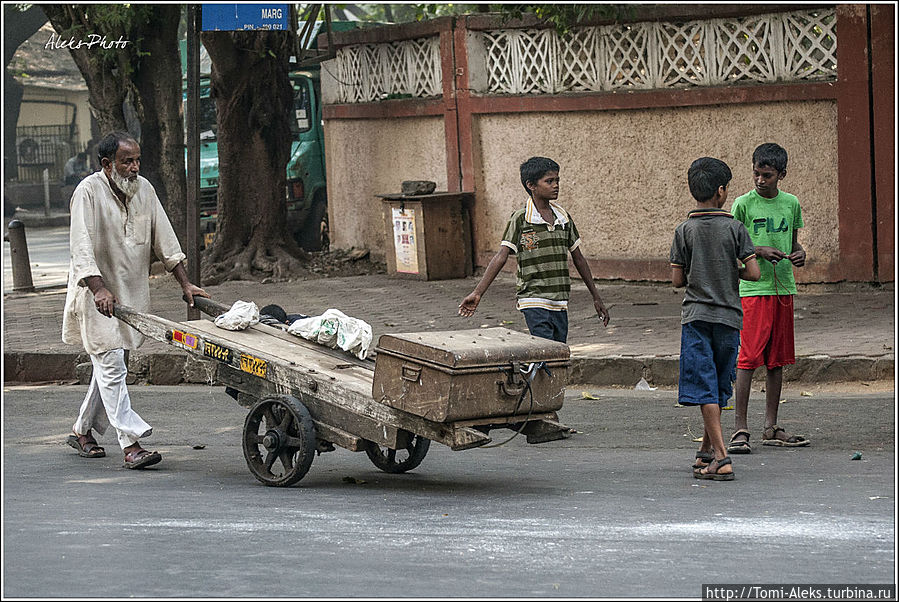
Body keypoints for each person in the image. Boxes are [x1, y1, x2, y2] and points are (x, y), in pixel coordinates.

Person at [62, 131, 209, 469]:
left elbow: (165, 240)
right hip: (95, 295)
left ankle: (82, 430)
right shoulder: (87, 192)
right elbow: (80, 248)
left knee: (111, 365)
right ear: (107, 164)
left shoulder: (144, 190)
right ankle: (130, 444)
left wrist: (186, 284)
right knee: (111, 363)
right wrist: (98, 289)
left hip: (130, 295)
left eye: (137, 160)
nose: (134, 167)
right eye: (126, 161)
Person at [670, 157, 760, 481]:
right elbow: (754, 272)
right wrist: (730, 270)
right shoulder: (736, 229)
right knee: (719, 385)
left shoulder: (684, 230)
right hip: (729, 318)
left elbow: (677, 280)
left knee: (704, 386)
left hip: (696, 317)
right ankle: (706, 451)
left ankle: (721, 458)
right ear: (721, 191)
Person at [458, 156, 610, 342]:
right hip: (533, 298)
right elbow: (501, 257)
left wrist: (596, 297)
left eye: (557, 180)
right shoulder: (521, 219)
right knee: (545, 347)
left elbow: (578, 258)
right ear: (531, 185)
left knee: (558, 351)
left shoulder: (563, 218)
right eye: (549, 181)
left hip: (560, 300)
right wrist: (477, 292)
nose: (556, 185)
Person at [727, 142, 810, 455]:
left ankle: (771, 426)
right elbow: (732, 248)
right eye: (756, 174)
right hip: (754, 289)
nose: (760, 180)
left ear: (781, 175)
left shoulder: (791, 203)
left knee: (777, 360)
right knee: (748, 359)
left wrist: (800, 255)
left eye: (767, 175)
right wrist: (758, 250)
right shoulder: (742, 205)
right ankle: (740, 428)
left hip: (783, 289)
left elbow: (795, 244)